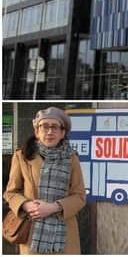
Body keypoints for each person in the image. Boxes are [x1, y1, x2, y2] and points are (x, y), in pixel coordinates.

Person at [4, 107, 86, 254]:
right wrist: (27, 205)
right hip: (32, 234)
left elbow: (79, 196)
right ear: (37, 131)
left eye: (54, 127)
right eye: (44, 126)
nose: (49, 131)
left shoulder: (72, 158)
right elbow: (11, 193)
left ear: (63, 133)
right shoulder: (21, 156)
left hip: (65, 235)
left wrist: (53, 207)